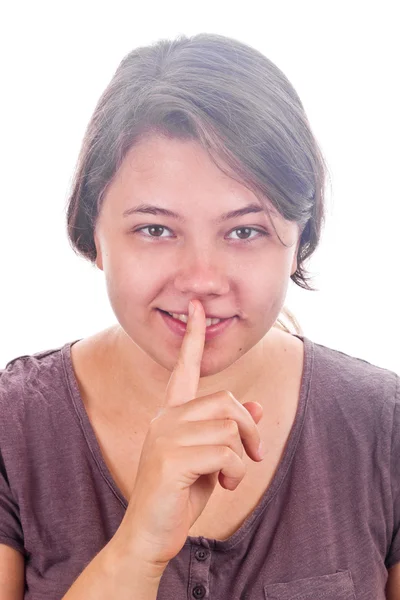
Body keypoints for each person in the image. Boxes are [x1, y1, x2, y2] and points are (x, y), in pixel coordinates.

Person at [0, 33, 399, 600]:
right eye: (156, 229)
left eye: (245, 230)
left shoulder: (384, 427)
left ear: (299, 239)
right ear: (93, 231)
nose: (202, 280)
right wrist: (137, 548)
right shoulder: (12, 429)